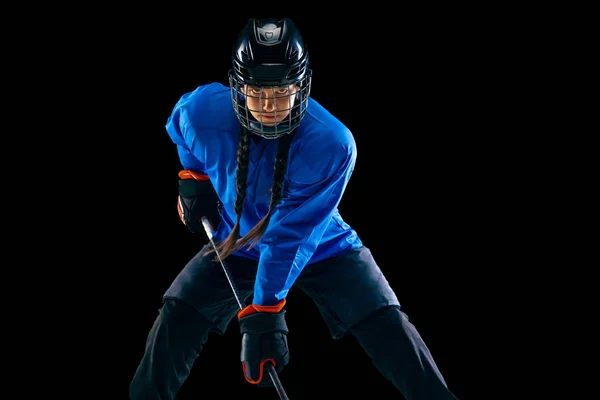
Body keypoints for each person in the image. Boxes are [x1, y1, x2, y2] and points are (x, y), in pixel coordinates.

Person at [129, 17, 458, 400]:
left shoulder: (332, 145)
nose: (270, 106)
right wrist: (193, 177)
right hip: (237, 241)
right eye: (257, 91)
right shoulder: (201, 112)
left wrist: (265, 314)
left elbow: (289, 238)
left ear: (301, 87)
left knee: (388, 325)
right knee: (176, 317)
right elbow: (180, 127)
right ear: (238, 87)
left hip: (321, 245)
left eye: (282, 91)